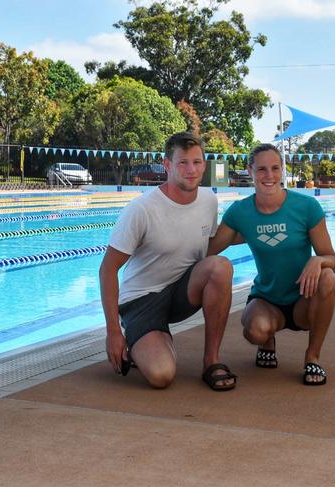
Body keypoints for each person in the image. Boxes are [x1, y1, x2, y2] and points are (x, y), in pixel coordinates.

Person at [99, 132, 237, 391]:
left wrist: (259, 230)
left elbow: (210, 244)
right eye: (182, 162)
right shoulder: (141, 210)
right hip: (141, 301)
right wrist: (113, 332)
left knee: (221, 267)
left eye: (197, 162)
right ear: (167, 165)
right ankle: (143, 340)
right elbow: (108, 269)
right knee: (162, 376)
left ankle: (211, 361)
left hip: (180, 293)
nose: (191, 169)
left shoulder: (208, 200)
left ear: (204, 165)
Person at [208, 144, 335, 386]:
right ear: (251, 171)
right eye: (262, 169)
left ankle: (313, 356)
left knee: (328, 277)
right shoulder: (240, 212)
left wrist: (317, 260)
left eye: (275, 168)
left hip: (303, 299)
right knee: (255, 330)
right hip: (267, 300)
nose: (270, 176)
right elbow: (210, 248)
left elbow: (331, 258)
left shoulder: (306, 207)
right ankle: (268, 341)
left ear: (282, 170)